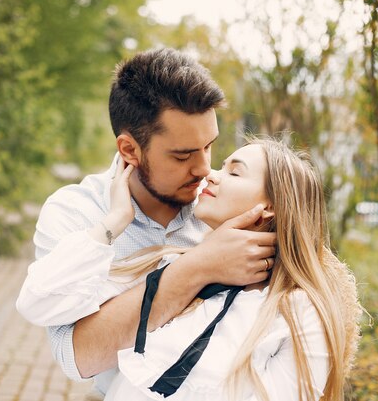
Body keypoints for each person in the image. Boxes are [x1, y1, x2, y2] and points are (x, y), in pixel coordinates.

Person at [16, 48, 276, 396]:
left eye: (208, 147)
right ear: (129, 150)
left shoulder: (223, 201)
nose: (203, 169)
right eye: (182, 155)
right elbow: (77, 356)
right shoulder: (75, 213)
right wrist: (200, 267)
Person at [100, 138, 362, 400]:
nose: (211, 175)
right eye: (222, 167)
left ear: (270, 206)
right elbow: (64, 303)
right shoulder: (178, 267)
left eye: (234, 172)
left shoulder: (297, 311)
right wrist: (117, 218)